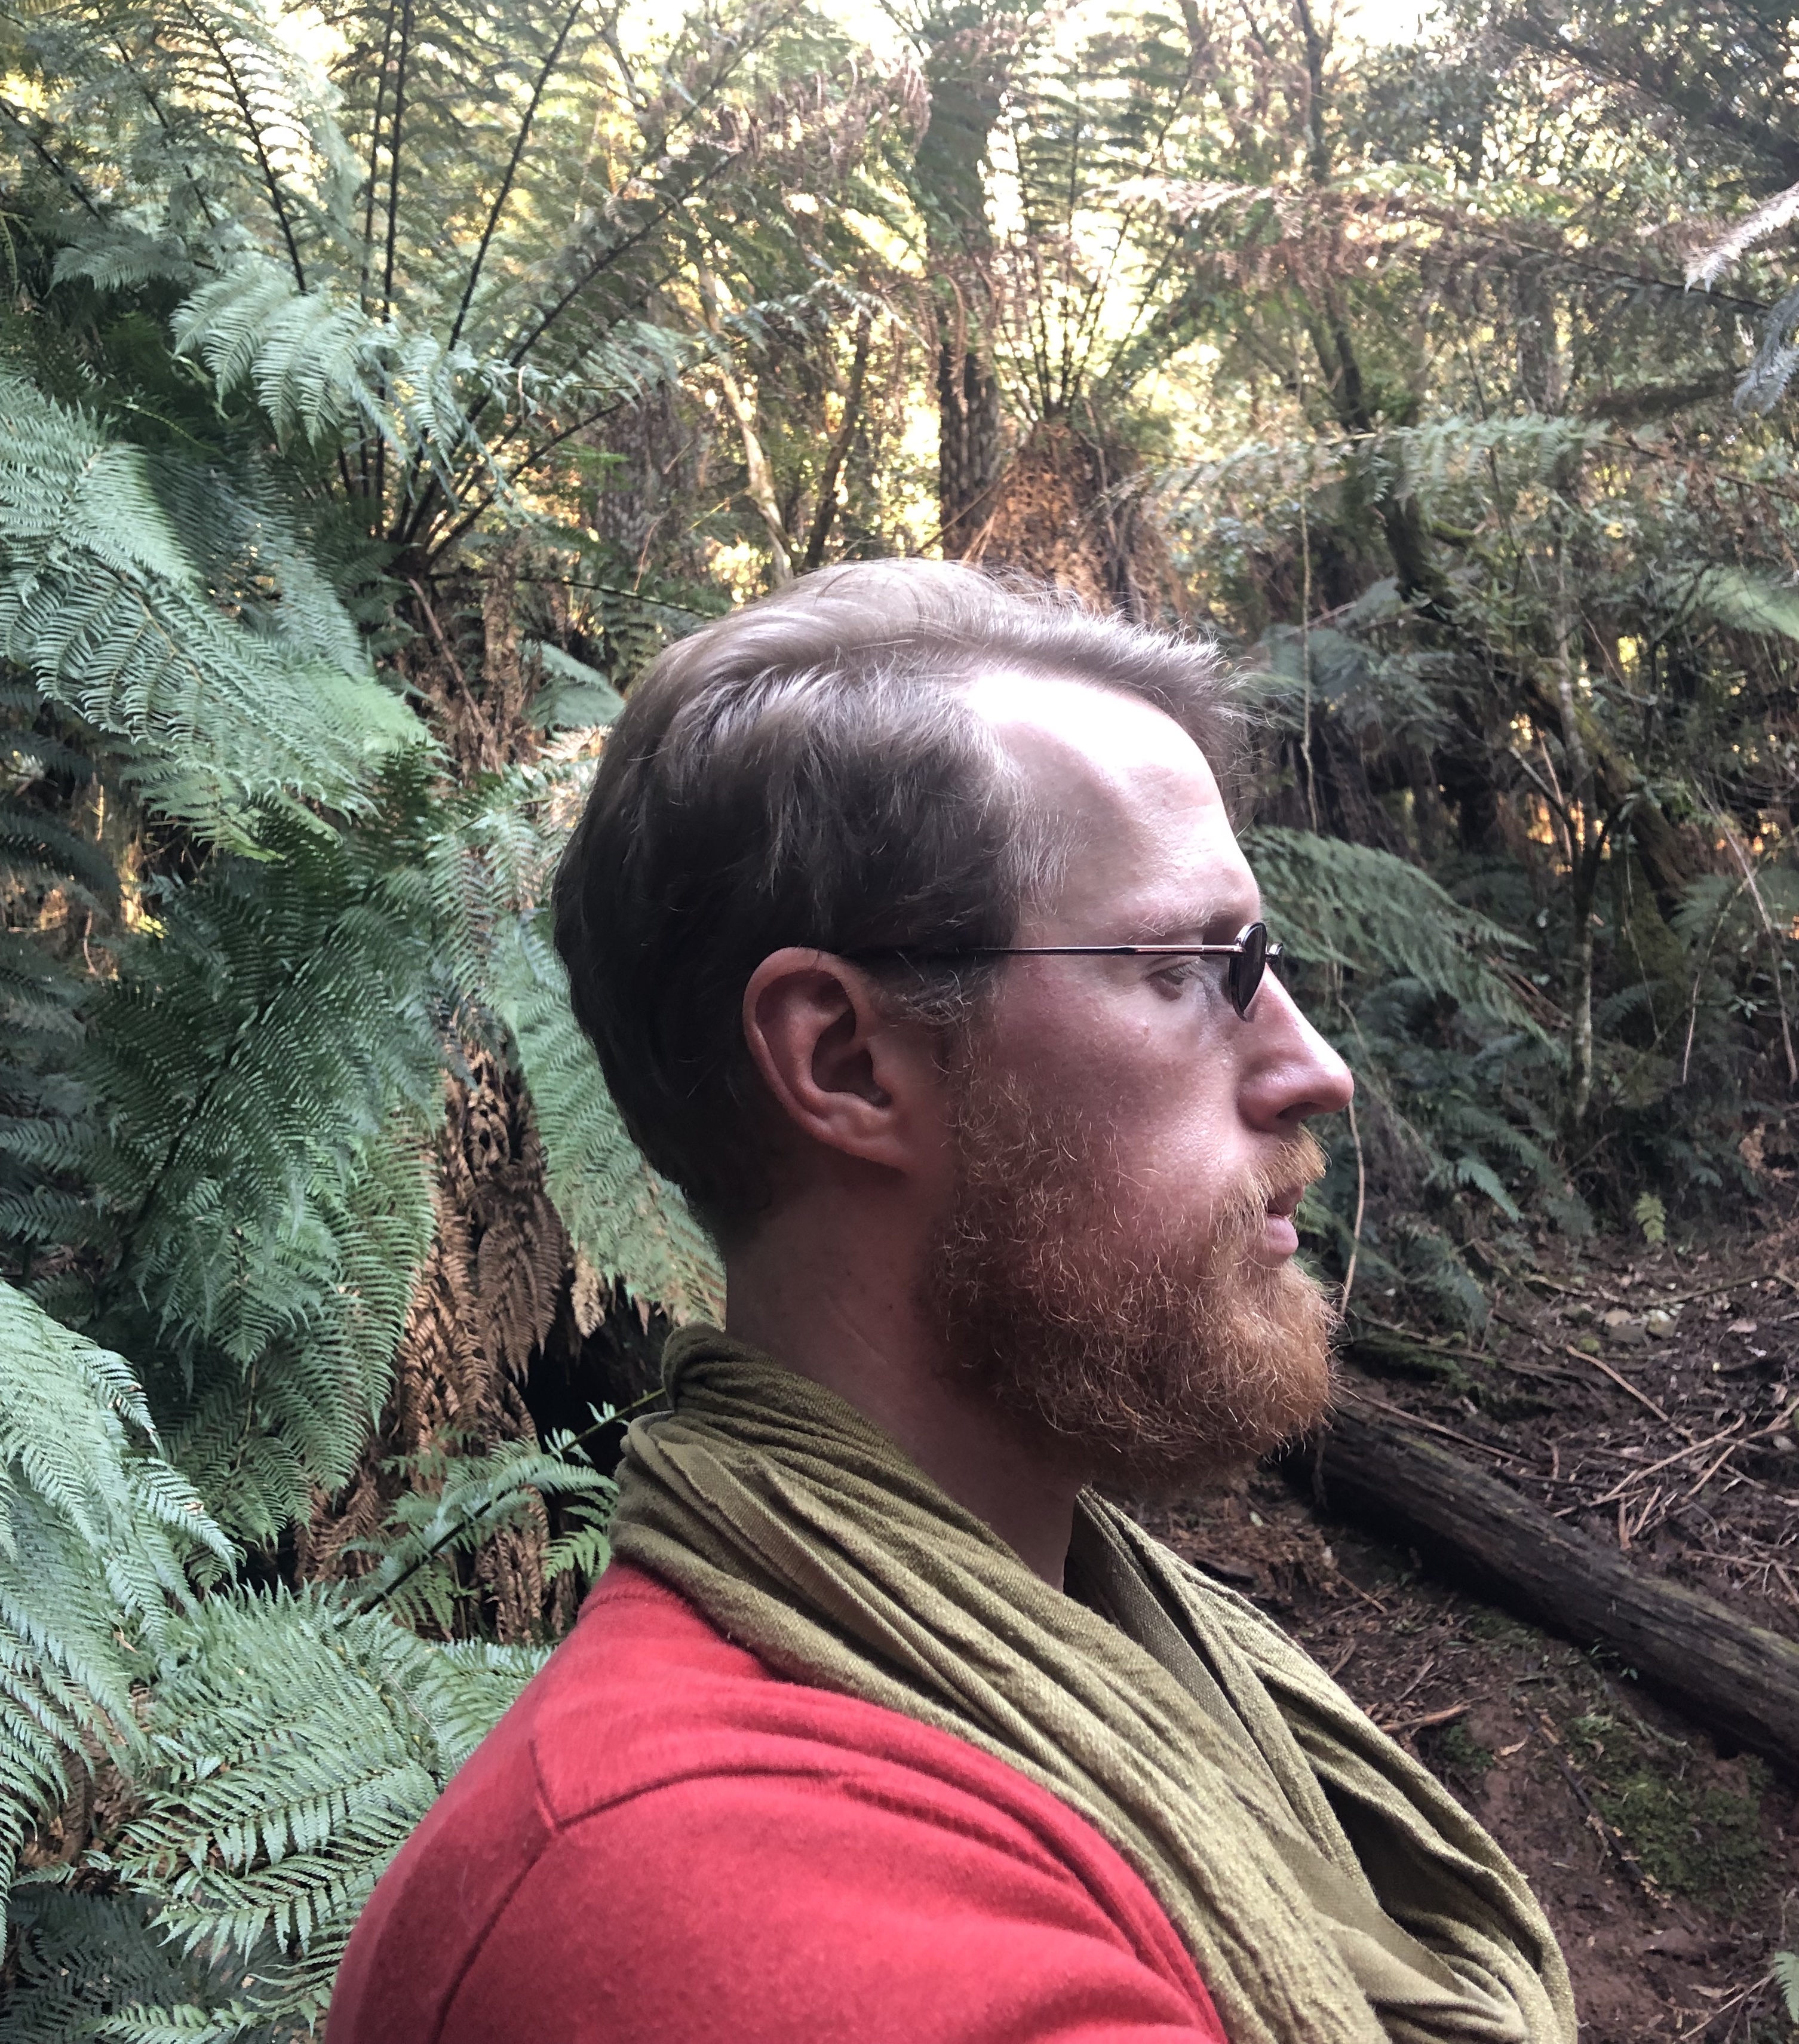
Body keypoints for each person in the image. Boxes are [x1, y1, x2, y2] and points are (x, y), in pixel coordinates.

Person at [330, 561, 1573, 2044]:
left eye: (1265, 963)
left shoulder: (1141, 1665)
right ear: (847, 1060)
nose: (1314, 1066)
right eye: (1189, 968)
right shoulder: (706, 1901)